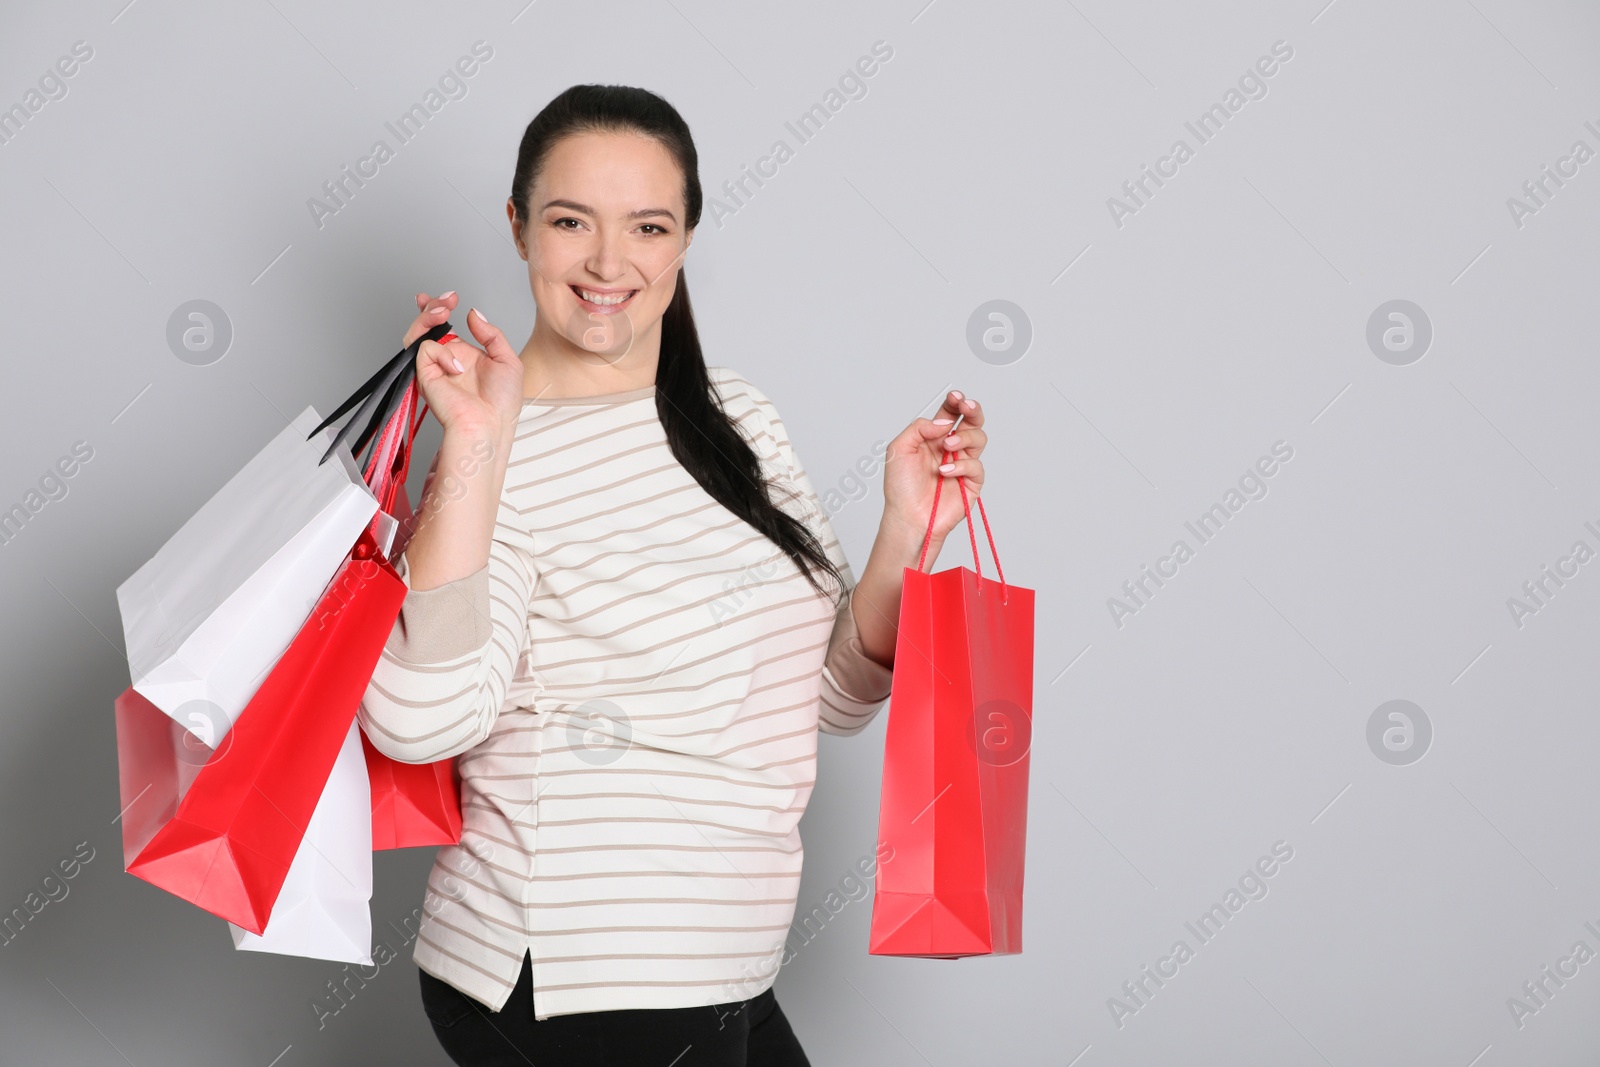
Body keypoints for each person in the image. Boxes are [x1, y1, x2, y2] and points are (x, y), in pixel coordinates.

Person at [357, 83, 988, 1066]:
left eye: (647, 225)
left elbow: (826, 693)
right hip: (572, 971)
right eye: (571, 221)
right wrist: (475, 444)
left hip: (721, 964)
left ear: (684, 238)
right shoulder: (495, 448)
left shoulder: (736, 416)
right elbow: (415, 718)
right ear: (519, 227)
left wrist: (905, 528)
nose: (610, 263)